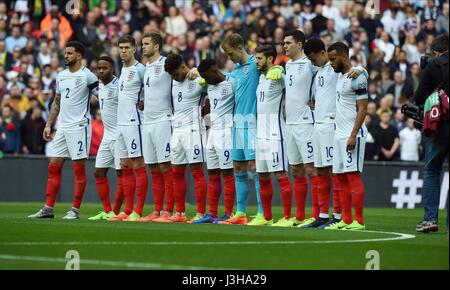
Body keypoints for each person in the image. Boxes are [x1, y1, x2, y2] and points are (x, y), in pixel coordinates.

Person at [28, 41, 98, 219]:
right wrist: (49, 123)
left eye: (69, 53)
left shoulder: (87, 75)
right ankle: (48, 208)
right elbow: (57, 101)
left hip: (79, 127)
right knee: (54, 167)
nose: (65, 55)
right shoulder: (61, 76)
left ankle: (75, 210)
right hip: (63, 127)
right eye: (65, 53)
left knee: (78, 169)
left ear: (79, 56)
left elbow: (102, 95)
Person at [303, 38, 365, 228]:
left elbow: (354, 70)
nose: (313, 62)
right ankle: (323, 214)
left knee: (337, 172)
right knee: (321, 170)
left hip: (334, 125)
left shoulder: (334, 68)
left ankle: (338, 215)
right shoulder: (318, 70)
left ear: (323, 53)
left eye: (314, 58)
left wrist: (363, 69)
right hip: (318, 125)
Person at [220, 33, 282, 225]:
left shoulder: (257, 63)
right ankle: (240, 213)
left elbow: (273, 66)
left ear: (240, 47)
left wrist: (278, 67)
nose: (229, 57)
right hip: (237, 123)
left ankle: (263, 214)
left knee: (256, 168)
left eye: (230, 53)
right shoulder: (236, 70)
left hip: (253, 125)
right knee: (238, 167)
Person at [325, 42, 368, 230]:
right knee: (339, 177)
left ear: (344, 56)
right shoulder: (342, 76)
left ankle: (359, 220)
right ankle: (346, 219)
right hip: (338, 133)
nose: (331, 63)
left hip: (353, 134)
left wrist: (353, 134)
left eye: (333, 59)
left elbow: (363, 108)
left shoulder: (357, 77)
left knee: (352, 176)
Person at [161, 53, 207, 223]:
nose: (173, 78)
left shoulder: (198, 80)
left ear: (182, 67)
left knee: (196, 171)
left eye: (174, 74)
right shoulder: (174, 81)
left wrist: (200, 73)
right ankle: (179, 213)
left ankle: (201, 213)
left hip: (194, 130)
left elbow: (218, 83)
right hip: (177, 131)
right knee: (176, 172)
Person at [108, 35, 148, 222]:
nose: (123, 50)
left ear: (134, 49)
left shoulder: (140, 69)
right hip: (121, 124)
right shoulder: (122, 69)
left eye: (126, 47)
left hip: (134, 122)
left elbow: (151, 91)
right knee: (124, 166)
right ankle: (128, 209)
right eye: (120, 47)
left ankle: (138, 211)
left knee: (137, 164)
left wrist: (144, 103)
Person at [251, 45, 293, 227]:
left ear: (270, 59)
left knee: (281, 175)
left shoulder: (278, 76)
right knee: (262, 176)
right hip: (260, 135)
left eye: (260, 58)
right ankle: (266, 217)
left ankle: (287, 217)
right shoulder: (261, 79)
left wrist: (280, 69)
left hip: (276, 134)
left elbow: (292, 84)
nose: (256, 61)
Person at [136, 32, 175, 223]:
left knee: (165, 165)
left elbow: (182, 77)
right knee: (152, 166)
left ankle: (170, 210)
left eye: (146, 44)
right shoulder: (146, 68)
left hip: (163, 120)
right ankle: (158, 210)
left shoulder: (167, 64)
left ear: (157, 46)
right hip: (147, 121)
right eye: (142, 44)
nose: (142, 47)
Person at [282, 30, 319, 227]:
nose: (285, 46)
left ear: (299, 44)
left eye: (288, 43)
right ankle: (300, 216)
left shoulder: (310, 64)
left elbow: (328, 73)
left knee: (311, 169)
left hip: (305, 123)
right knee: (296, 170)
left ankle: (316, 214)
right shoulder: (287, 65)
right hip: (290, 124)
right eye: (284, 43)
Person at [413, 34, 449, 233]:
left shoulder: (433, 65)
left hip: (438, 126)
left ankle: (430, 220)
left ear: (436, 51)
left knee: (432, 170)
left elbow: (419, 97)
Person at [195, 59, 237, 224]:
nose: (204, 80)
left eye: (206, 76)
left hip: (227, 132)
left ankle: (228, 213)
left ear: (214, 71)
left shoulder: (232, 83)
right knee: (212, 173)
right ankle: (212, 213)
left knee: (227, 173)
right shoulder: (209, 86)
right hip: (212, 132)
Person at [88, 56, 126, 221]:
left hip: (120, 135)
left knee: (121, 174)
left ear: (112, 69)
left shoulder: (120, 86)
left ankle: (116, 212)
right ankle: (107, 210)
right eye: (99, 68)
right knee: (98, 172)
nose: (101, 71)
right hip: (107, 135)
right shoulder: (100, 86)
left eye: (105, 68)